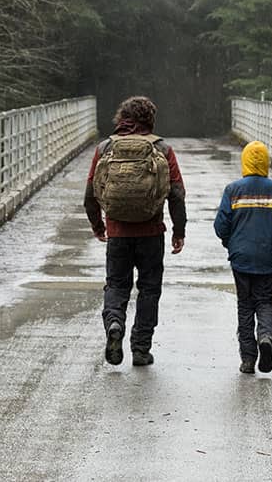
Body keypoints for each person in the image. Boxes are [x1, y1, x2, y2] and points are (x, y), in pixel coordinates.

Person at [84, 96, 186, 367]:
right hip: (152, 232)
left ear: (122, 118)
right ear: (150, 120)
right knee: (149, 290)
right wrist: (179, 231)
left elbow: (90, 194)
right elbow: (176, 194)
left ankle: (115, 322)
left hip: (117, 232)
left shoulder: (105, 147)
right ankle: (141, 349)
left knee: (117, 285)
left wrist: (98, 225)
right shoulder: (162, 149)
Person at [214, 141, 272, 374]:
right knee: (265, 301)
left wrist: (230, 243)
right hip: (266, 257)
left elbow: (221, 225)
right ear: (266, 162)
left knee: (245, 305)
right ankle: (266, 337)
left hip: (240, 258)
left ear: (245, 161)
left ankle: (248, 359)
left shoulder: (233, 190)